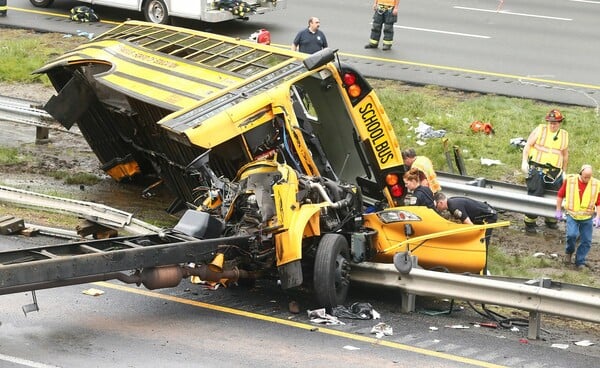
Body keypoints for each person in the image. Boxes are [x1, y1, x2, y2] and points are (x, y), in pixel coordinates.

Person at [521, 109, 569, 234]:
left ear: (560, 122)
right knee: (535, 195)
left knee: (555, 196)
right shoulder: (540, 130)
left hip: (554, 172)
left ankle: (550, 220)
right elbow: (528, 146)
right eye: (551, 122)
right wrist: (524, 162)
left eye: (556, 123)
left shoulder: (564, 135)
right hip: (537, 170)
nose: (553, 125)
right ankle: (530, 222)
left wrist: (564, 171)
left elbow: (565, 154)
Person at [555, 164, 600, 269]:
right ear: (581, 174)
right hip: (572, 215)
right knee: (571, 235)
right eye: (585, 177)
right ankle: (569, 252)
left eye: (589, 177)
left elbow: (598, 202)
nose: (587, 179)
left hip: (587, 217)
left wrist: (598, 216)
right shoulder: (570, 181)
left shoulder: (595, 184)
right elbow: (560, 195)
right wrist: (558, 210)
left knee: (586, 241)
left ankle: (580, 261)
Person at [433, 192, 498, 250]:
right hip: (481, 215)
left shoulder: (454, 207)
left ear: (441, 203)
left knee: (482, 243)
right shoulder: (451, 201)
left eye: (436, 206)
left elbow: (469, 225)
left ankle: (482, 262)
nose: (437, 209)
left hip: (489, 216)